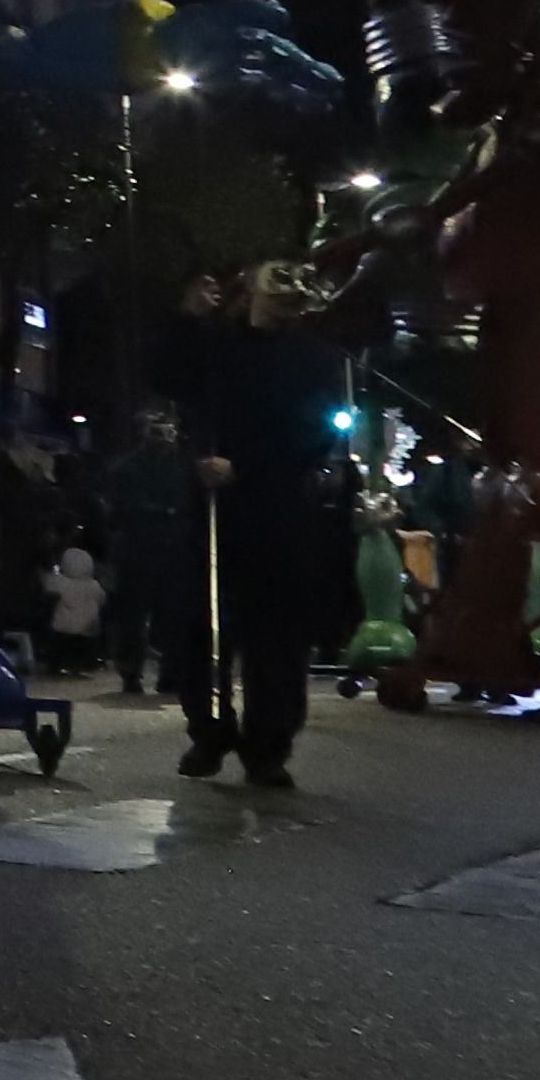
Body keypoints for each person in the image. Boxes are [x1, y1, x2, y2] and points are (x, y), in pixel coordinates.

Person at [174, 257, 359, 786]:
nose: (282, 309)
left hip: (276, 510)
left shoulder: (313, 359)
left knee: (276, 637)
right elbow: (169, 379)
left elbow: (314, 433)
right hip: (211, 507)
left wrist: (247, 467)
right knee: (202, 627)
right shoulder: (214, 344)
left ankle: (268, 746)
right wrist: (185, 320)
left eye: (292, 302)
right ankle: (209, 733)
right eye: (275, 297)